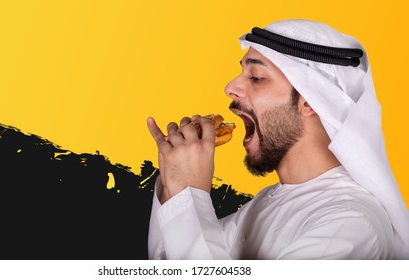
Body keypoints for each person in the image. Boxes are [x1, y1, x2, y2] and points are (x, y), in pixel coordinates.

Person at [146, 19, 409, 259]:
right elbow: (169, 262)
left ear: (311, 103)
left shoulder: (350, 224)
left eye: (256, 78)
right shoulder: (264, 205)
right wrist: (174, 182)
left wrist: (188, 192)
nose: (230, 87)